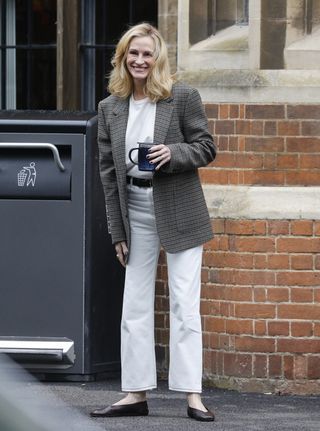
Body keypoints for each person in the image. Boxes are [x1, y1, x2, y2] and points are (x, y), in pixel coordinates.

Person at [90, 23, 216, 422]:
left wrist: (172, 152)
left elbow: (206, 147)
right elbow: (109, 173)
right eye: (133, 53)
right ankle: (135, 393)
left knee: (184, 303)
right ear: (123, 58)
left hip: (179, 208)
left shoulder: (181, 98)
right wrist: (117, 230)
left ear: (158, 58)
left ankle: (192, 395)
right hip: (135, 210)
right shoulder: (111, 107)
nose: (140, 61)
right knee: (135, 305)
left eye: (147, 54)